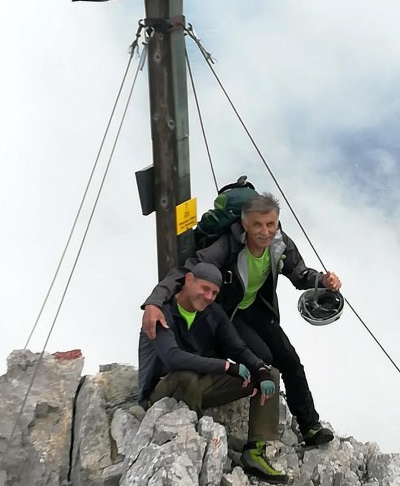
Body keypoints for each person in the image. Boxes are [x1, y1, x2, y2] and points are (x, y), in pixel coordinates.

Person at [142, 193, 342, 447]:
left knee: (289, 359)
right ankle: (256, 438)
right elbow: (186, 272)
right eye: (258, 225)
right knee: (263, 359)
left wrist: (321, 280)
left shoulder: (280, 243)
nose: (265, 231)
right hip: (227, 314)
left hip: (257, 308)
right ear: (245, 224)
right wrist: (154, 302)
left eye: (271, 224)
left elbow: (298, 272)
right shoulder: (226, 246)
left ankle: (310, 426)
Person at [138, 261, 289, 484]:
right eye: (205, 289)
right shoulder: (162, 314)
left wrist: (260, 369)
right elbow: (172, 357)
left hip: (201, 386)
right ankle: (195, 441)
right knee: (185, 376)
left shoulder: (213, 314)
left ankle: (255, 450)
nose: (209, 297)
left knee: (270, 374)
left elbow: (237, 347)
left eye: (214, 292)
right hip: (162, 392)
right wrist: (225, 366)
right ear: (189, 280)